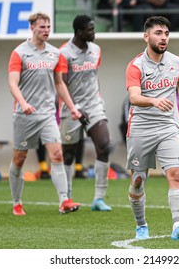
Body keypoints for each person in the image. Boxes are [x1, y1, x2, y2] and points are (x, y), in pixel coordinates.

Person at [125, 16, 179, 240]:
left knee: (176, 173)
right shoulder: (135, 66)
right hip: (141, 128)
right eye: (158, 33)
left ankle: (178, 225)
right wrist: (154, 100)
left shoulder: (176, 61)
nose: (163, 37)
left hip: (168, 126)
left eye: (166, 33)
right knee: (138, 181)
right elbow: (134, 97)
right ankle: (141, 225)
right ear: (146, 36)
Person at [7, 12, 82, 216]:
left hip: (48, 114)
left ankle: (64, 201)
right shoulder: (19, 53)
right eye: (42, 27)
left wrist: (72, 107)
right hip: (24, 115)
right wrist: (23, 103)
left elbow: (59, 83)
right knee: (19, 158)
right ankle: (17, 202)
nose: (46, 30)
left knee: (57, 155)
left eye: (48, 27)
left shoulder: (55, 54)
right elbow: (13, 83)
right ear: (32, 27)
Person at [59, 15, 112, 211]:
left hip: (93, 105)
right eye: (90, 29)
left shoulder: (96, 50)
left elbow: (93, 77)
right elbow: (61, 84)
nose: (94, 33)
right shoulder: (64, 53)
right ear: (79, 32)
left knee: (104, 146)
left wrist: (97, 97)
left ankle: (98, 199)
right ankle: (67, 198)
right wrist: (74, 107)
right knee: (69, 154)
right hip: (70, 108)